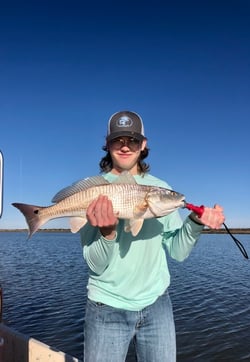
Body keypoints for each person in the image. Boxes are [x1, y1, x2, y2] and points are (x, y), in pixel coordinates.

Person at [80, 110, 225, 362]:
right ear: (107, 143)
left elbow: (177, 252)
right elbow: (96, 265)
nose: (125, 147)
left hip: (157, 306)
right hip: (106, 308)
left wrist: (195, 222)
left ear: (143, 144)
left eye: (133, 140)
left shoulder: (162, 189)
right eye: (118, 140)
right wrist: (107, 232)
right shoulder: (94, 190)